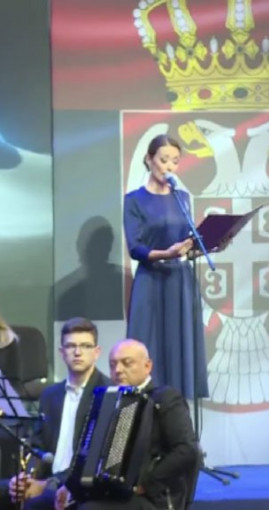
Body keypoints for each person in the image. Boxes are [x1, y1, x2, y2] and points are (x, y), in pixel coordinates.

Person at [55, 339, 199, 510]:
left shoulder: (165, 398)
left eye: (127, 363)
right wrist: (70, 486)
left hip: (152, 497)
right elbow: (88, 454)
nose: (118, 370)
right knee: (42, 502)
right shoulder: (106, 401)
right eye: (112, 365)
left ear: (147, 366)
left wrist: (145, 483)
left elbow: (187, 450)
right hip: (108, 493)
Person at [123, 134, 208, 400]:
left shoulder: (182, 198)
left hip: (180, 280)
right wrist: (165, 253)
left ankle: (177, 408)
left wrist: (204, 245)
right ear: (149, 159)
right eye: (163, 160)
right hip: (151, 279)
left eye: (175, 161)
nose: (169, 167)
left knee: (179, 345)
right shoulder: (134, 200)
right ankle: (143, 408)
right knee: (149, 343)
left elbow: (186, 240)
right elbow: (136, 248)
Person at [0, 317, 110, 510]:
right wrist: (27, 478)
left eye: (85, 346)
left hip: (81, 486)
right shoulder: (50, 395)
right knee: (9, 491)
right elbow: (38, 445)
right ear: (61, 353)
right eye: (71, 346)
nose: (77, 352)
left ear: (96, 352)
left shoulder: (108, 393)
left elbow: (95, 458)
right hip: (48, 479)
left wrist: (47, 485)